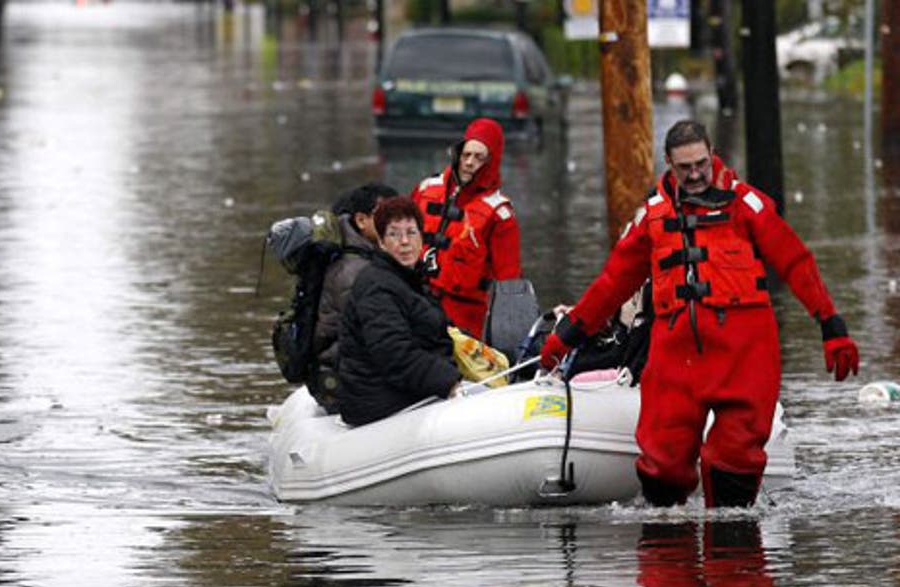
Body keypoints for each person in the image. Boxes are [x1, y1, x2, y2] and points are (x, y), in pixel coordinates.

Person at [541, 119, 859, 508]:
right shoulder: (652, 219)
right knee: (663, 467)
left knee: (735, 467)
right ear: (669, 165)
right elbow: (612, 284)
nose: (695, 175)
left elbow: (796, 262)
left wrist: (831, 325)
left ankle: (733, 557)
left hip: (744, 357)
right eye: (684, 168)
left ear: (712, 156)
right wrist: (566, 336)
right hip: (678, 361)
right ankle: (667, 554)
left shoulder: (747, 205)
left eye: (701, 165)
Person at [337, 196, 462, 426]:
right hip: (379, 401)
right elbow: (394, 354)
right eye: (394, 234)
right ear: (382, 243)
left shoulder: (409, 280)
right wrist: (449, 381)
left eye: (411, 233)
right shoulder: (376, 286)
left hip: (402, 391)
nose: (404, 242)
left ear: (422, 238)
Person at [412, 117, 522, 339]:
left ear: (491, 162)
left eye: (479, 157)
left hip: (464, 317)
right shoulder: (426, 190)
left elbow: (509, 281)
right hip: (417, 301)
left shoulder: (499, 214)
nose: (469, 162)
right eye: (466, 155)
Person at [309, 182, 398, 413]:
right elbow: (377, 336)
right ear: (361, 221)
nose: (395, 225)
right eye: (386, 217)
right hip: (346, 382)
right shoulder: (354, 272)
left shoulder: (367, 260)